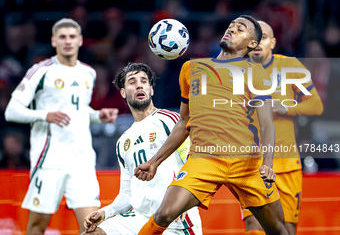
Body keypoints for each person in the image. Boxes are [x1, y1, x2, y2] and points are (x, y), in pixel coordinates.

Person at [135, 15, 289, 235]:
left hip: (247, 162)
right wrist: (154, 162)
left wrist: (267, 163)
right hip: (204, 160)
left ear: (252, 44)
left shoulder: (257, 73)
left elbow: (267, 123)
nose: (232, 29)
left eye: (240, 28)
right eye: (231, 25)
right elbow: (184, 122)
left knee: (277, 229)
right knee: (164, 214)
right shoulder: (191, 69)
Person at [4, 18, 118, 235]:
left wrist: (97, 116)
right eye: (63, 37)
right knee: (37, 227)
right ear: (54, 41)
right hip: (49, 160)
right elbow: (11, 111)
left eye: (72, 36)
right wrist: (45, 115)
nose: (68, 41)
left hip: (82, 160)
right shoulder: (41, 71)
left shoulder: (88, 73)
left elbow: (78, 111)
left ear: (80, 40)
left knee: (92, 227)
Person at [83, 63, 202, 235]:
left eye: (144, 81)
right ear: (123, 92)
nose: (139, 85)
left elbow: (194, 164)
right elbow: (126, 194)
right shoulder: (123, 141)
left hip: (175, 223)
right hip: (138, 219)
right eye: (132, 81)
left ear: (151, 90)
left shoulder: (171, 121)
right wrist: (105, 212)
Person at [241, 21, 323, 235]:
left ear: (274, 42)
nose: (258, 43)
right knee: (254, 226)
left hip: (286, 163)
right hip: (252, 163)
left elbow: (316, 105)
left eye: (264, 37)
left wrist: (286, 107)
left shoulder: (290, 66)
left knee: (286, 229)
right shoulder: (237, 71)